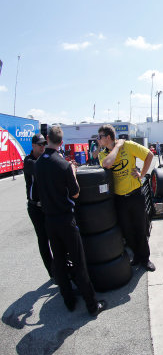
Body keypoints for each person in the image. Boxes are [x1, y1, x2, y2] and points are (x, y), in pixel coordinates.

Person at [34, 125, 106, 315]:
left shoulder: (38, 163)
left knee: (59, 261)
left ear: (47, 140)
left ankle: (69, 300)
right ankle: (92, 305)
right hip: (66, 220)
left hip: (49, 220)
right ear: (62, 142)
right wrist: (73, 172)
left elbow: (35, 195)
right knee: (79, 263)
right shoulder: (64, 165)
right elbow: (75, 193)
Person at [97, 124, 156, 272]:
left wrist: (142, 175)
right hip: (119, 199)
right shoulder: (103, 154)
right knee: (127, 230)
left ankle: (145, 258)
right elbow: (107, 164)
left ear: (108, 137)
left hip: (135, 194)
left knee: (140, 227)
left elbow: (149, 155)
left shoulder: (128, 146)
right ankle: (136, 256)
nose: (98, 140)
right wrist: (117, 147)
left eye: (100, 137)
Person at [23, 133, 53, 278]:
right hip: (35, 207)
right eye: (40, 145)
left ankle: (60, 266)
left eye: (44, 144)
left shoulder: (44, 159)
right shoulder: (29, 161)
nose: (43, 147)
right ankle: (51, 271)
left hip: (48, 206)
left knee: (54, 236)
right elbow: (41, 169)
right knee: (43, 239)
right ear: (33, 146)